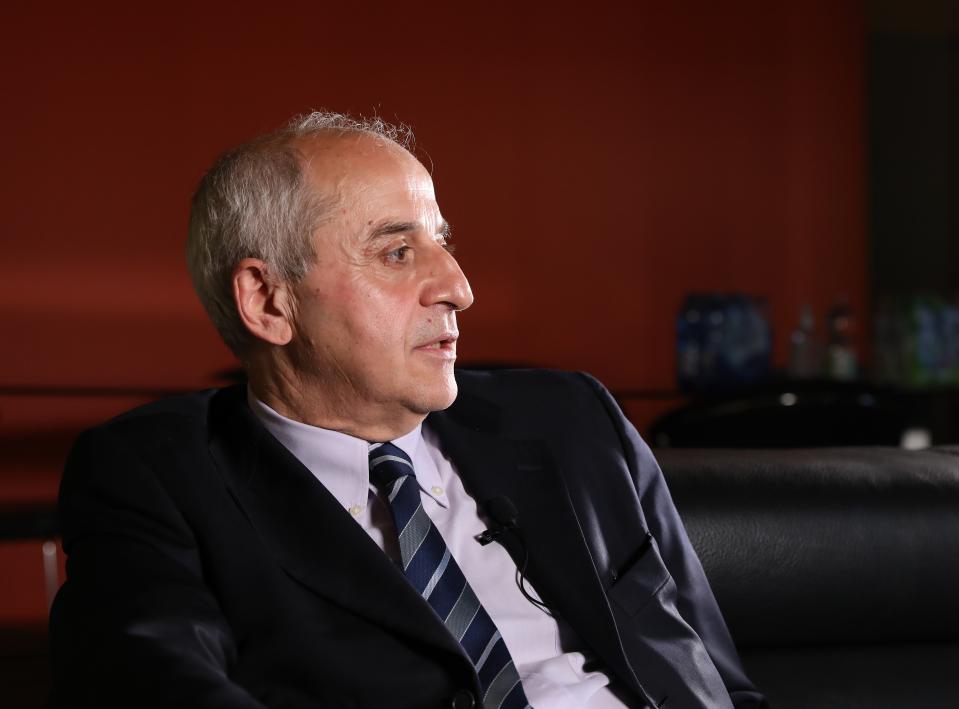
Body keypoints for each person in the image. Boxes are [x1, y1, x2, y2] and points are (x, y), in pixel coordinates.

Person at [49, 113, 766, 709]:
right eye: (397, 252)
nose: (458, 287)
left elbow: (718, 680)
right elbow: (154, 685)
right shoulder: (158, 477)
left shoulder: (572, 418)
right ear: (268, 301)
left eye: (441, 243)